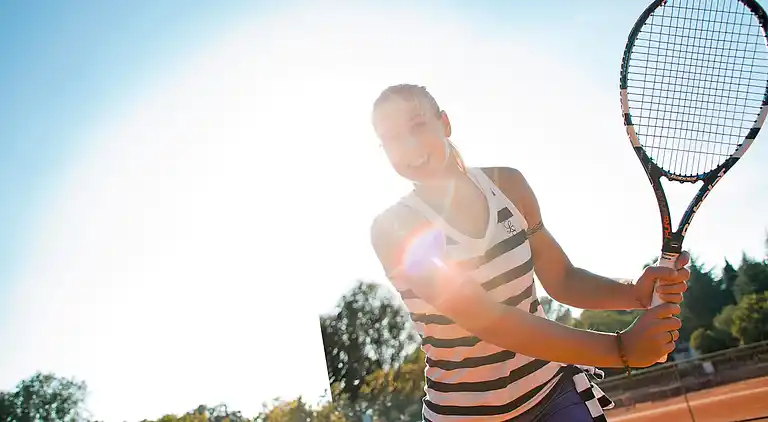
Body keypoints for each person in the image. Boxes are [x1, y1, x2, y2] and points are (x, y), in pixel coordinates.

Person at [368, 84, 690, 422]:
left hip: (552, 395)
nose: (408, 146)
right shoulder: (393, 229)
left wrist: (633, 293)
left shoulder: (508, 185)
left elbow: (562, 278)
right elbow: (484, 317)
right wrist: (621, 350)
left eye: (417, 125)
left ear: (445, 123)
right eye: (391, 138)